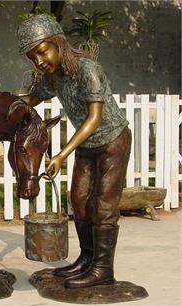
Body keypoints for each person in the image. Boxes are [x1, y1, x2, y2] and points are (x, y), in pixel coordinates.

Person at [17, 14, 131, 289]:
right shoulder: (52, 77)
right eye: (33, 58)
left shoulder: (87, 69)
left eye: (42, 52)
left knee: (103, 205)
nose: (39, 61)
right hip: (87, 145)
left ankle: (103, 269)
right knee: (79, 200)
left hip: (112, 141)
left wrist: (61, 154)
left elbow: (94, 118)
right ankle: (87, 259)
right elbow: (29, 100)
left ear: (58, 43)